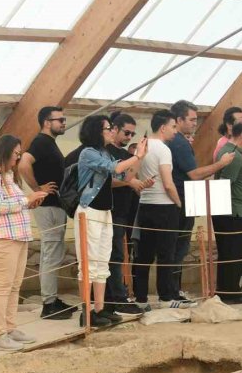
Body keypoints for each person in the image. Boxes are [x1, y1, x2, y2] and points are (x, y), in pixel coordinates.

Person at [0, 135, 50, 351]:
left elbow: (13, 205)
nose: (18, 158)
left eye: (19, 154)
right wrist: (27, 199)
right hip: (3, 238)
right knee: (2, 287)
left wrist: (30, 203)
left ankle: (10, 328)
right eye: (16, 153)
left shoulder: (9, 176)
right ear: (5, 151)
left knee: (14, 285)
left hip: (19, 236)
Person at [75, 115, 149, 326]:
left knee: (101, 261)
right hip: (89, 212)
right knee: (88, 263)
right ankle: (86, 311)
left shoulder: (104, 152)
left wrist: (138, 158)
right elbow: (115, 169)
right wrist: (137, 156)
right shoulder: (88, 153)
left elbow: (124, 176)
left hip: (105, 212)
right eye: (107, 128)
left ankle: (100, 308)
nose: (111, 131)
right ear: (96, 131)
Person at [168, 100, 233, 297]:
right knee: (178, 248)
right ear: (179, 120)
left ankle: (173, 290)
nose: (195, 123)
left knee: (176, 247)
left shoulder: (177, 141)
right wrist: (220, 164)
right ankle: (172, 291)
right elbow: (194, 174)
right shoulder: (178, 142)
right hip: (180, 199)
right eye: (192, 119)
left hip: (180, 198)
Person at [20, 106, 75, 320]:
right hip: (48, 206)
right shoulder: (41, 142)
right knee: (52, 253)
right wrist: (37, 189)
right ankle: (49, 303)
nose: (63, 122)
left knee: (52, 252)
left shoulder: (49, 143)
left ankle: (51, 298)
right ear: (46, 122)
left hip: (53, 205)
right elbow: (23, 164)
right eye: (59, 119)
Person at [132, 110, 185, 311]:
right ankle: (165, 297)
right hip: (164, 207)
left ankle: (141, 297)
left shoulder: (142, 145)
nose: (175, 131)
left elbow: (132, 175)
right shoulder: (163, 150)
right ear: (163, 127)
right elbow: (168, 183)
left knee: (143, 254)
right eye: (173, 126)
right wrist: (178, 203)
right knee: (166, 254)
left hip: (145, 204)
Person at [104, 112, 151, 315]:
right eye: (126, 132)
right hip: (109, 211)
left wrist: (137, 180)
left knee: (118, 254)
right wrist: (129, 181)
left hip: (124, 211)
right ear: (114, 129)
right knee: (113, 255)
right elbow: (107, 179)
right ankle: (117, 298)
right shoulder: (104, 152)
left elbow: (130, 176)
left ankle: (116, 295)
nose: (128, 137)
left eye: (132, 134)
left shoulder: (125, 154)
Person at [213, 118, 242, 304]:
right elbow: (224, 185)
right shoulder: (232, 154)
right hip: (230, 212)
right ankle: (229, 292)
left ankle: (230, 290)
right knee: (232, 253)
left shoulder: (237, 153)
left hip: (234, 211)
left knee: (234, 253)